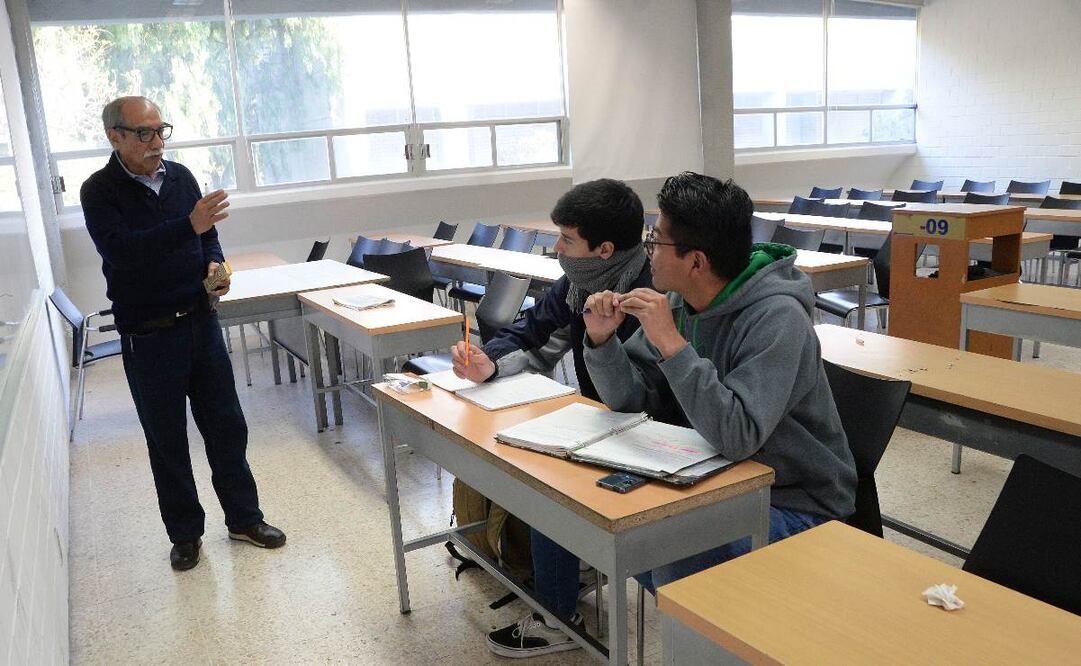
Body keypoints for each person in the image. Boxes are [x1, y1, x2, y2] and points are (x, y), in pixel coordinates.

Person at [488, 172, 856, 658]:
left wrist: (672, 344)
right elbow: (632, 400)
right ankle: (592, 614)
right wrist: (600, 340)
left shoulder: (776, 319)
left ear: (696, 261)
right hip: (710, 474)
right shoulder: (682, 303)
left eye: (656, 241)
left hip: (794, 500)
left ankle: (712, 643)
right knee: (575, 492)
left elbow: (739, 434)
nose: (646, 252)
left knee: (672, 546)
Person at [81, 96, 285, 572]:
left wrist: (214, 258)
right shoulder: (99, 191)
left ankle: (244, 518)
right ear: (115, 136)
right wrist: (186, 225)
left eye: (161, 130)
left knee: (227, 426)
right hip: (148, 336)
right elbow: (122, 252)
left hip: (200, 322)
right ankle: (185, 534)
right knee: (167, 440)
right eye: (145, 133)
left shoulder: (182, 177)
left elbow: (205, 234)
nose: (157, 142)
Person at [451, 177, 652, 402]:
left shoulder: (651, 298)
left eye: (567, 239)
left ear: (604, 249)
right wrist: (490, 363)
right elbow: (532, 332)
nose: (557, 247)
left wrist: (602, 340)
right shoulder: (576, 286)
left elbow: (643, 397)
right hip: (598, 418)